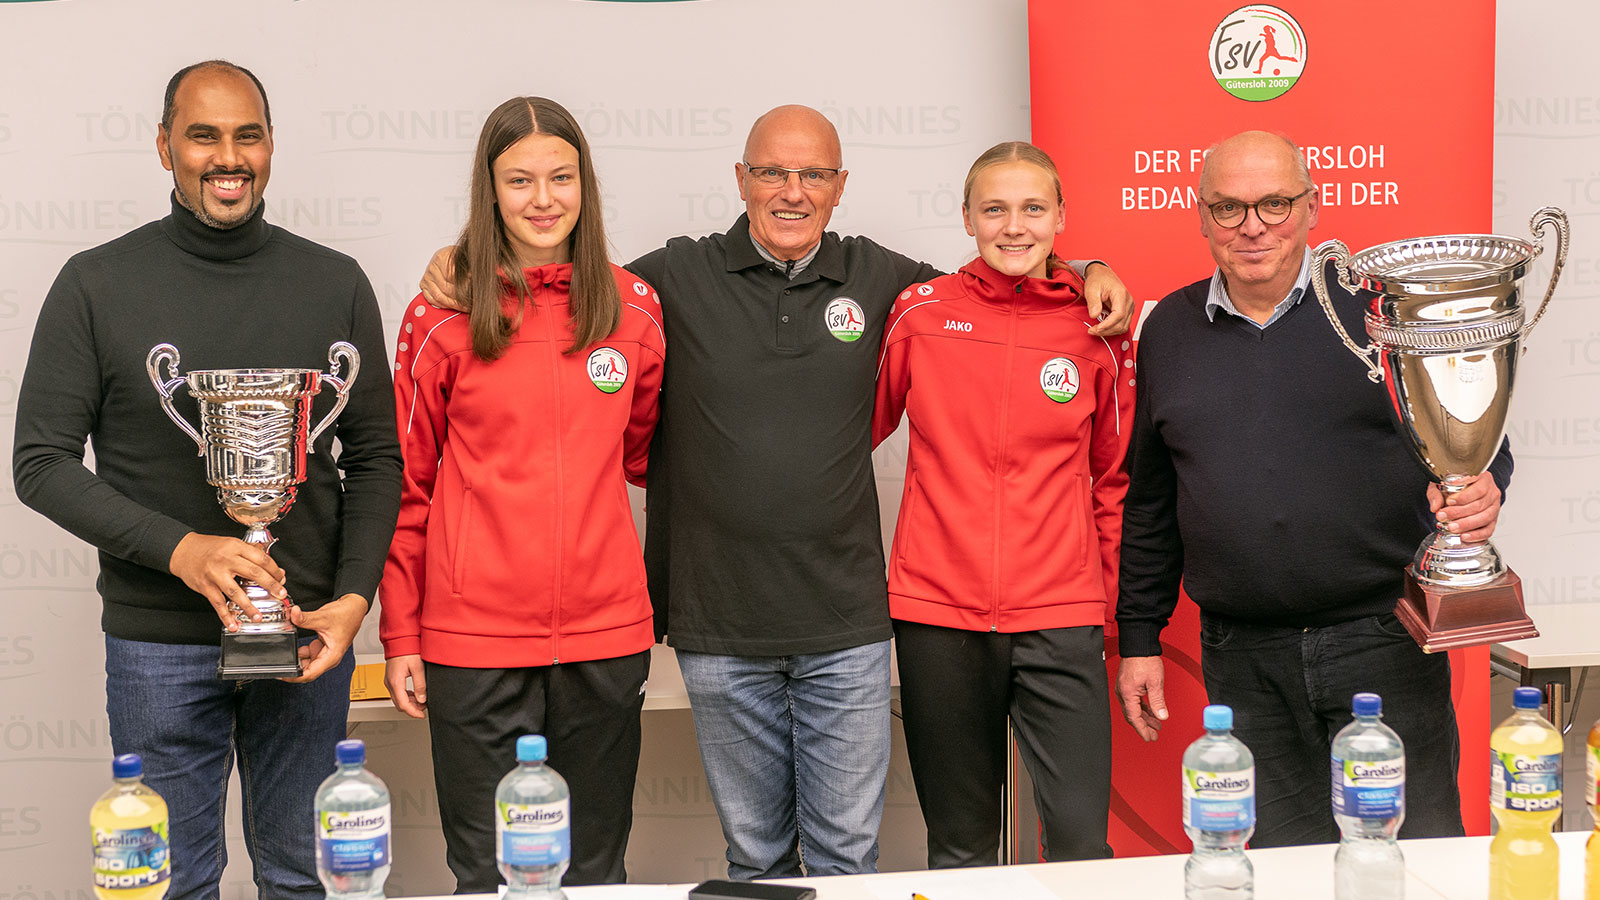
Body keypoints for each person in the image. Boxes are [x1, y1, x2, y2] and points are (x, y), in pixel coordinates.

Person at [420, 105, 1135, 879]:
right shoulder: (667, 281)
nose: (792, 191)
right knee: (756, 860)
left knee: (845, 861)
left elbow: (1000, 290)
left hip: (847, 626)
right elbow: (564, 278)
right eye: (771, 172)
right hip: (719, 627)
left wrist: (1087, 269)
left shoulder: (891, 286)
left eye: (814, 175)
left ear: (839, 187)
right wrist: (465, 261)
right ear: (742, 180)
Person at [12, 60, 401, 898]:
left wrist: (354, 599)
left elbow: (375, 460)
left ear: (270, 147)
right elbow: (39, 463)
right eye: (203, 135)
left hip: (304, 633)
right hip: (158, 642)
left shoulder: (335, 283)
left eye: (247, 134)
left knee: (310, 880)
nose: (228, 156)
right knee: (170, 885)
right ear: (165, 148)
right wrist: (182, 549)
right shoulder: (95, 283)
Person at [1113, 130, 1512, 847]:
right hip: (1243, 662)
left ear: (1314, 206)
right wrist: (1139, 638)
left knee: (1411, 865)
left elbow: (1477, 441)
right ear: (1200, 216)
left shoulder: (1381, 314)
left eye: (1274, 202)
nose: (1253, 225)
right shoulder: (1167, 330)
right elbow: (1150, 503)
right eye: (1228, 208)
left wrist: (1485, 487)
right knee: (1273, 875)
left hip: (1383, 641)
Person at [379, 96, 665, 891]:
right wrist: (402, 634)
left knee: (595, 871)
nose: (543, 199)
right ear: (489, 190)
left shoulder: (635, 311)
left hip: (607, 640)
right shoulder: (440, 317)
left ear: (586, 185)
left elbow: (641, 453)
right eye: (520, 180)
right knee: (487, 874)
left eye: (561, 177)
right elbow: (407, 486)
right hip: (472, 644)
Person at [872, 141, 1132, 867]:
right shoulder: (920, 314)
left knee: (1082, 843)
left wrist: (1104, 609)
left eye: (1032, 208)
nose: (1013, 227)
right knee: (960, 850)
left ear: (1060, 218)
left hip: (1060, 616)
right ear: (966, 218)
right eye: (995, 209)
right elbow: (845, 438)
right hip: (938, 617)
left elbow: (1114, 482)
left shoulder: (1097, 328)